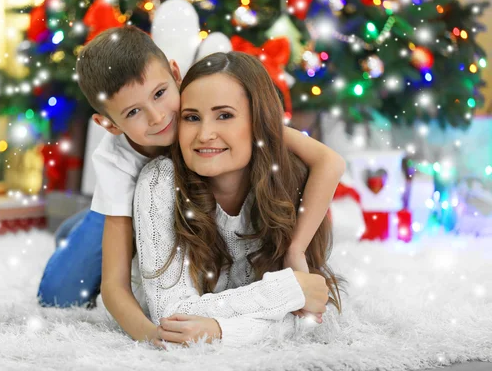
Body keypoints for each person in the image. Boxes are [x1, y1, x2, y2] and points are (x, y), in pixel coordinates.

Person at [37, 26, 346, 344]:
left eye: (160, 94)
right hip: (117, 209)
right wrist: (153, 337)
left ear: (176, 74)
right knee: (60, 292)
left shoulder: (222, 113)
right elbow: (115, 288)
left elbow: (329, 162)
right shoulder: (120, 162)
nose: (157, 118)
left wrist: (296, 249)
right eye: (133, 112)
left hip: (171, 206)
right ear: (109, 125)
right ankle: (74, 228)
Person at [133, 51, 345, 346]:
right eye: (192, 117)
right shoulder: (160, 181)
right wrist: (287, 290)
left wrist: (221, 332)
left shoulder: (288, 181)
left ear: (258, 122)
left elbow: (310, 314)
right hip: (117, 230)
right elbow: (170, 315)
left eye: (225, 115)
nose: (205, 133)